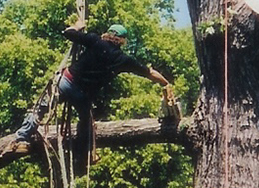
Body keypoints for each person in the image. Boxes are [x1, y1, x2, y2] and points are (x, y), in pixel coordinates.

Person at [15, 21, 173, 146]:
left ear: (108, 34)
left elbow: (68, 33)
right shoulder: (123, 59)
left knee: (41, 108)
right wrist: (166, 83)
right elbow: (149, 73)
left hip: (65, 81)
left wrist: (77, 26)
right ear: (122, 41)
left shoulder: (94, 40)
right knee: (86, 122)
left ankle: (22, 138)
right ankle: (83, 153)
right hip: (81, 95)